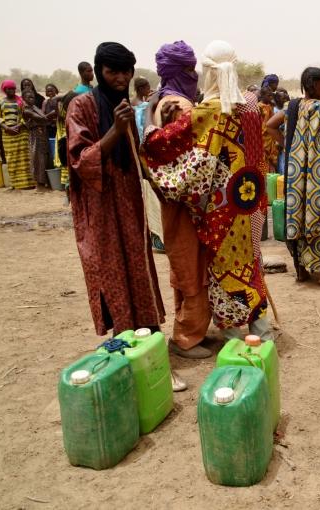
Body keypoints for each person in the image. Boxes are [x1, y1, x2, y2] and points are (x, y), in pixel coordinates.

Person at [143, 39, 272, 344]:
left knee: (225, 269)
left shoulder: (209, 111)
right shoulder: (250, 107)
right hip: (251, 201)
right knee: (251, 263)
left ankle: (232, 337)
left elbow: (164, 144)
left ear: (208, 72)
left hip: (222, 209)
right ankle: (261, 333)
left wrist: (149, 119)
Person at [66, 42, 166, 342]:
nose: (120, 79)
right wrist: (115, 130)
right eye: (112, 72)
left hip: (128, 198)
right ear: (99, 72)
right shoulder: (81, 106)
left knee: (138, 262)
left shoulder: (124, 106)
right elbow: (80, 159)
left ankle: (148, 331)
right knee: (110, 265)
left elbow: (136, 156)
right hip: (100, 203)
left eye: (126, 72)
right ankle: (124, 335)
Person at [145, 40, 211, 359]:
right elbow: (189, 158)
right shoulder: (178, 107)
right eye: (189, 68)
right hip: (186, 199)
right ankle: (187, 337)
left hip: (175, 198)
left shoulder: (164, 101)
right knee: (191, 264)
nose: (194, 74)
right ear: (177, 71)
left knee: (185, 262)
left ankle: (190, 327)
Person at [266, 67, 320, 284]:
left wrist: (289, 148)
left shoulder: (292, 107)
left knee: (299, 213)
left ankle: (301, 270)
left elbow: (271, 126)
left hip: (297, 172)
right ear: (313, 85)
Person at [0, 80, 34, 189]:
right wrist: (7, 128)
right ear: (4, 90)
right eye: (9, 89)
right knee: (12, 158)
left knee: (25, 157)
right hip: (7, 134)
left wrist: (19, 126)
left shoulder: (21, 101)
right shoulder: (0, 103)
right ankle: (16, 184)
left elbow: (25, 115)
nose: (11, 90)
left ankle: (29, 184)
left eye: (13, 88)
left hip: (21, 133)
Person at [22, 89, 52, 191]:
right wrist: (51, 114)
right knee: (38, 159)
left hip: (42, 135)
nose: (32, 99)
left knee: (44, 158)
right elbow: (41, 119)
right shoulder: (26, 110)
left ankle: (44, 183)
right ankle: (39, 185)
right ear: (24, 99)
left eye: (33, 97)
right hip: (35, 136)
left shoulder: (34, 107)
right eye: (29, 97)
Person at [258, 86, 279, 170]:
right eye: (268, 96)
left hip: (270, 137)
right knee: (264, 159)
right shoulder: (259, 107)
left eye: (271, 96)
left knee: (271, 161)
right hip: (263, 137)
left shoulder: (270, 106)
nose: (270, 98)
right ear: (262, 95)